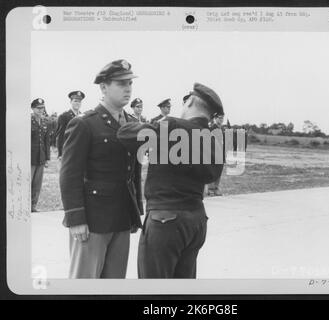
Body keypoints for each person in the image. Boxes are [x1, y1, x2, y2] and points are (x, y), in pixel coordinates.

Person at [117, 82, 224, 278]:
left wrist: (155, 126)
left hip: (165, 220)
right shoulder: (213, 139)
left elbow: (125, 134)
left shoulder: (172, 126)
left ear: (190, 102)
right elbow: (213, 175)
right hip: (196, 220)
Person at [59, 59, 143, 279]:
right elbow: (69, 174)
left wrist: (135, 212)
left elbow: (133, 171)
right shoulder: (85, 123)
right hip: (93, 220)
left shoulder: (132, 123)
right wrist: (75, 219)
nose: (128, 89)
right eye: (121, 83)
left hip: (122, 217)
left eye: (130, 84)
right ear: (104, 87)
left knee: (114, 284)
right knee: (84, 284)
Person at [31, 98, 50, 212]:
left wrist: (47, 158)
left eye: (42, 108)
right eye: (38, 108)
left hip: (41, 157)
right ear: (33, 108)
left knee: (37, 183)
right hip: (30, 157)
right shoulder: (28, 120)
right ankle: (25, 205)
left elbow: (47, 141)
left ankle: (33, 206)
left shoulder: (45, 122)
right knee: (29, 182)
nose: (40, 110)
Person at [55, 91, 85, 159]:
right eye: (75, 101)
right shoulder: (64, 116)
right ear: (71, 102)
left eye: (79, 102)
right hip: (68, 151)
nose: (77, 103)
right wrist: (60, 153)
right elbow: (60, 136)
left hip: (80, 151)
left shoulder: (82, 116)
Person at [207, 113, 225, 196]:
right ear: (215, 118)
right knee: (212, 171)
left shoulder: (222, 129)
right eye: (219, 118)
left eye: (222, 118)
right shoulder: (211, 128)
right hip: (213, 153)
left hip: (221, 153)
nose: (221, 120)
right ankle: (210, 189)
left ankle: (216, 188)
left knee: (219, 171)